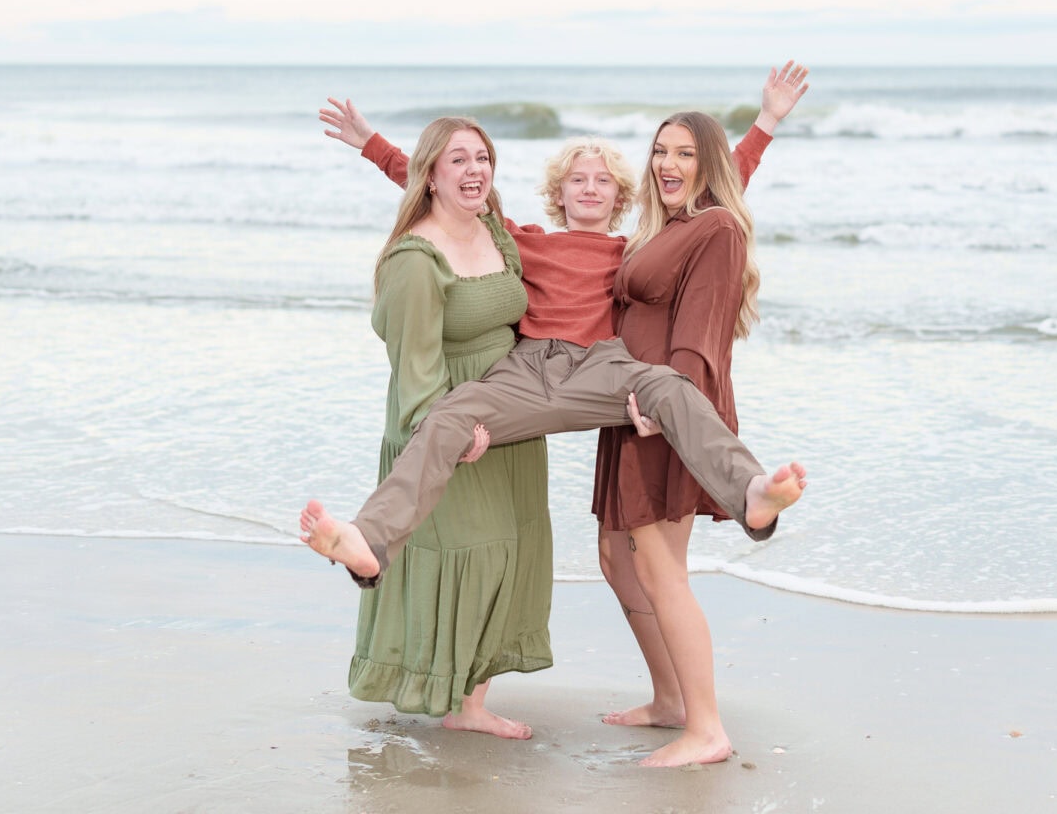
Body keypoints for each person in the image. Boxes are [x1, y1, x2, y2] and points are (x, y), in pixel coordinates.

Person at [301, 64, 810, 587]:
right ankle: (370, 540)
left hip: (603, 368)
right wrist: (371, 144)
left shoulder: (639, 250)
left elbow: (717, 192)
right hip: (527, 370)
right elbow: (448, 186)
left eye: (603, 181)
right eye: (577, 180)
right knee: (449, 414)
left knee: (668, 386)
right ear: (558, 193)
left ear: (622, 197)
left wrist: (766, 122)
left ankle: (750, 491)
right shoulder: (522, 241)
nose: (590, 189)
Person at [347, 115, 551, 741]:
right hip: (446, 421)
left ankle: (472, 701)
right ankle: (449, 695)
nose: (475, 170)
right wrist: (451, 429)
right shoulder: (416, 258)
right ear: (430, 175)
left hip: (509, 417)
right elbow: (413, 365)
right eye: (458, 160)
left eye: (483, 157)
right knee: (469, 552)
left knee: (509, 551)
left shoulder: (494, 228)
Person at [592, 110, 766, 766]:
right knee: (617, 557)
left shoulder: (717, 227)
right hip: (632, 408)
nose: (668, 164)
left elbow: (698, 330)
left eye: (685, 154)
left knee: (662, 568)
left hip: (665, 412)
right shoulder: (669, 227)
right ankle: (671, 700)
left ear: (708, 165)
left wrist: (672, 405)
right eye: (660, 151)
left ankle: (707, 729)